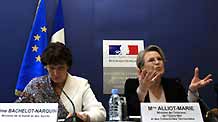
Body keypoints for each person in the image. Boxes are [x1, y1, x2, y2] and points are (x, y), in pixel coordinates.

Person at [16, 42, 106, 122]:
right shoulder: (35, 85)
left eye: (60, 68)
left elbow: (99, 112)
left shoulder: (80, 84)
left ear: (68, 66)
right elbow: (17, 113)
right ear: (45, 67)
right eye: (52, 68)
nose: (56, 73)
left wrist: (85, 116)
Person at [124, 45, 213, 118]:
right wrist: (142, 91)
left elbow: (187, 114)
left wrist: (192, 92)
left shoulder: (174, 84)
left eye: (159, 59)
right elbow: (131, 114)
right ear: (142, 68)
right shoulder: (132, 84)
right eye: (151, 60)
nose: (157, 62)